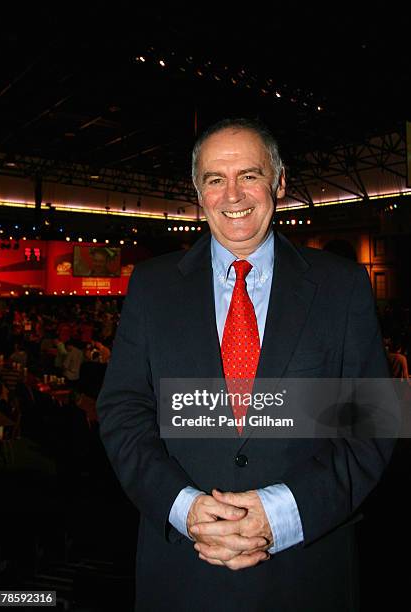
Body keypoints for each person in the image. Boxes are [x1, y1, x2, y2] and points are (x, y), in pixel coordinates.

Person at [97, 118, 395, 611]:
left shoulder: (343, 286)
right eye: (215, 179)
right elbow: (123, 412)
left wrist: (282, 514)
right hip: (182, 570)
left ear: (278, 182)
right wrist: (182, 507)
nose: (232, 195)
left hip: (306, 571)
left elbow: (372, 424)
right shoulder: (151, 287)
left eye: (249, 176)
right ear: (198, 191)